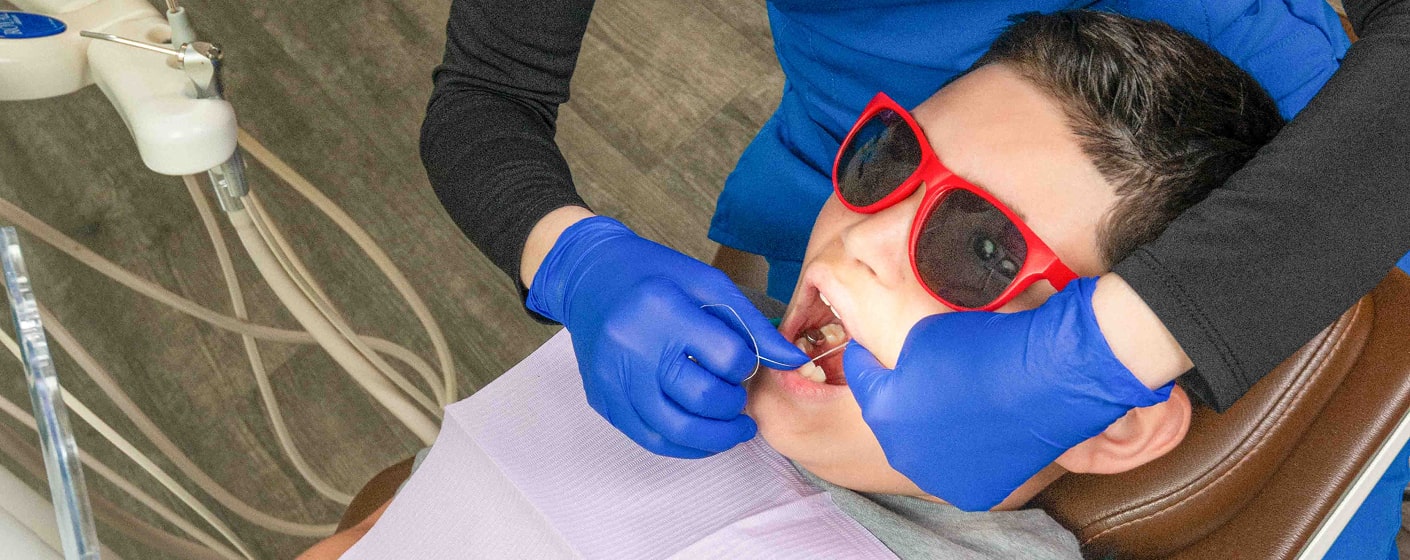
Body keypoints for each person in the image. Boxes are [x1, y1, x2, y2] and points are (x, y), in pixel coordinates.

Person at [423, 0, 1408, 552]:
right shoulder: (873, 194)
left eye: (980, 250)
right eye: (883, 177)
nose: (860, 244)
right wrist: (572, 255)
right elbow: (485, 92)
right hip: (940, 111)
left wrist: (1107, 347)